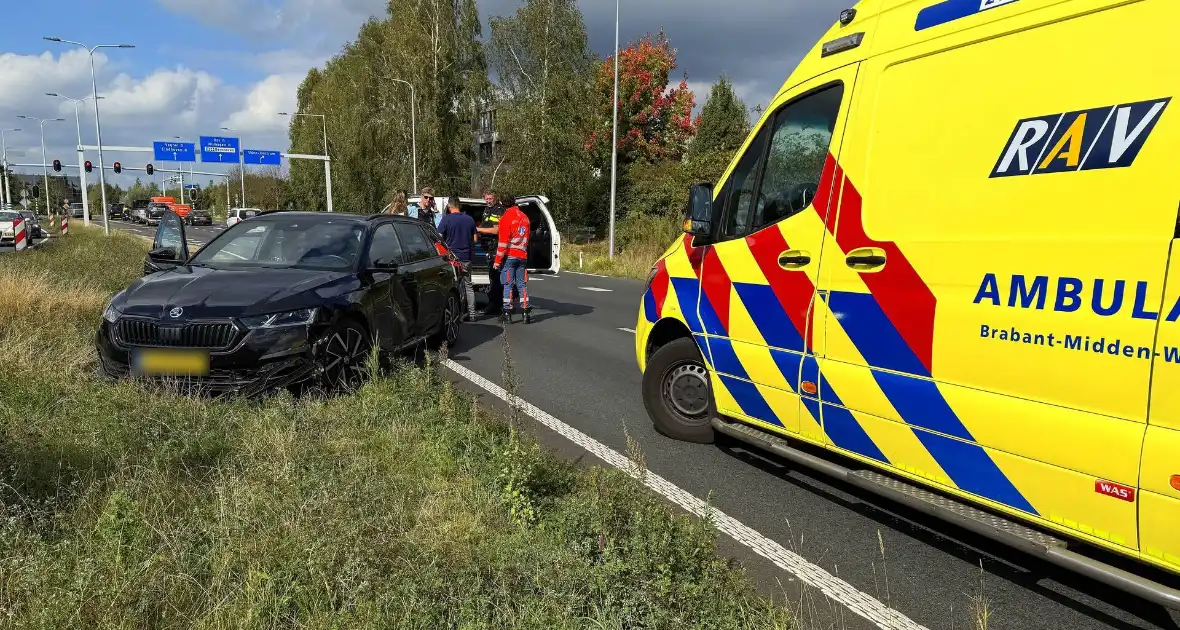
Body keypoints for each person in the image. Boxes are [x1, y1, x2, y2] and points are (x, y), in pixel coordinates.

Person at [437, 195, 478, 322]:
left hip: (452, 259)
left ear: (449, 206)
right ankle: (472, 314)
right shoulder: (470, 220)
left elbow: (439, 238)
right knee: (468, 285)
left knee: (454, 286)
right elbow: (475, 239)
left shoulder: (446, 219)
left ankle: (457, 315)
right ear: (459, 206)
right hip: (466, 258)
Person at [493, 193, 532, 324]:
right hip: (523, 256)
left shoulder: (505, 218)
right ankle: (526, 312)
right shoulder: (525, 218)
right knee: (522, 284)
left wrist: (497, 262)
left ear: (503, 205)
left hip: (510, 256)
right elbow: (527, 239)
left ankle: (507, 312)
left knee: (508, 284)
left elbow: (502, 243)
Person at [476, 191, 505, 317]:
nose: (488, 200)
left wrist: (477, 229)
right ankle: (496, 303)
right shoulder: (486, 210)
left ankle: (495, 305)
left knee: (495, 279)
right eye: (486, 198)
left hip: (495, 248)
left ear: (495, 198)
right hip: (487, 247)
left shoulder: (499, 210)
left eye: (490, 198)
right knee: (492, 278)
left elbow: (496, 230)